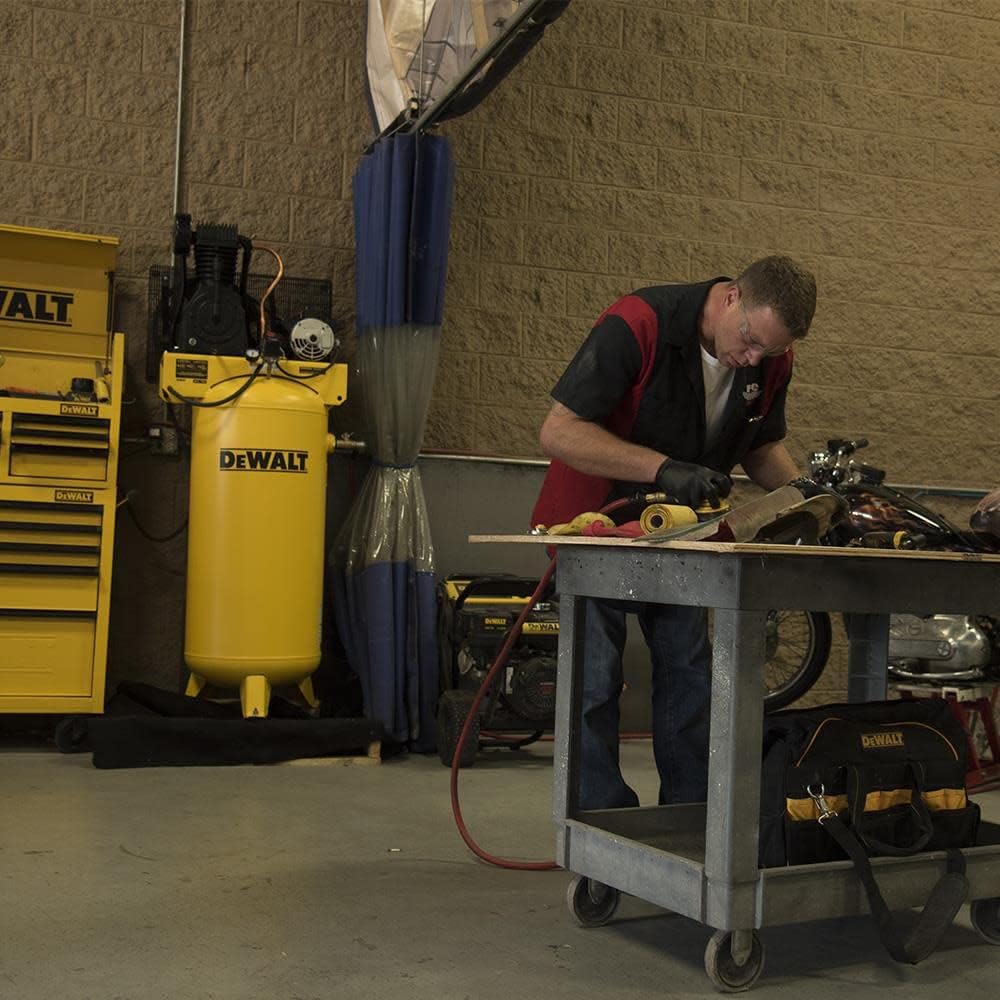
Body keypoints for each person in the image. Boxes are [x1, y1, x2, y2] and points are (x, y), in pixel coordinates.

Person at [531, 256, 817, 809]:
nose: (753, 359)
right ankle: (600, 826)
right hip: (595, 528)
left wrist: (809, 498)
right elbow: (559, 431)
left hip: (683, 535)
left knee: (689, 681)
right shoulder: (640, 322)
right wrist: (662, 468)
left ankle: (688, 817)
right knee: (593, 681)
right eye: (750, 340)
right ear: (731, 296)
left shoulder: (771, 357)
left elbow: (760, 449)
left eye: (769, 352)